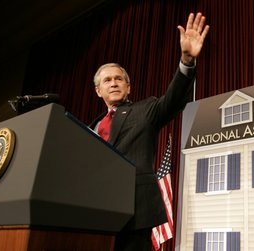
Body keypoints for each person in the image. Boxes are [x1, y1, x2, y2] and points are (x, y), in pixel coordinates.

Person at [88, 12, 209, 251]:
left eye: (119, 79)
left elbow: (173, 100)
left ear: (128, 87)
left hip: (134, 213)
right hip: (96, 212)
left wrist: (186, 61)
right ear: (98, 91)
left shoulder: (146, 109)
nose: (113, 83)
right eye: (107, 80)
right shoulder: (92, 127)